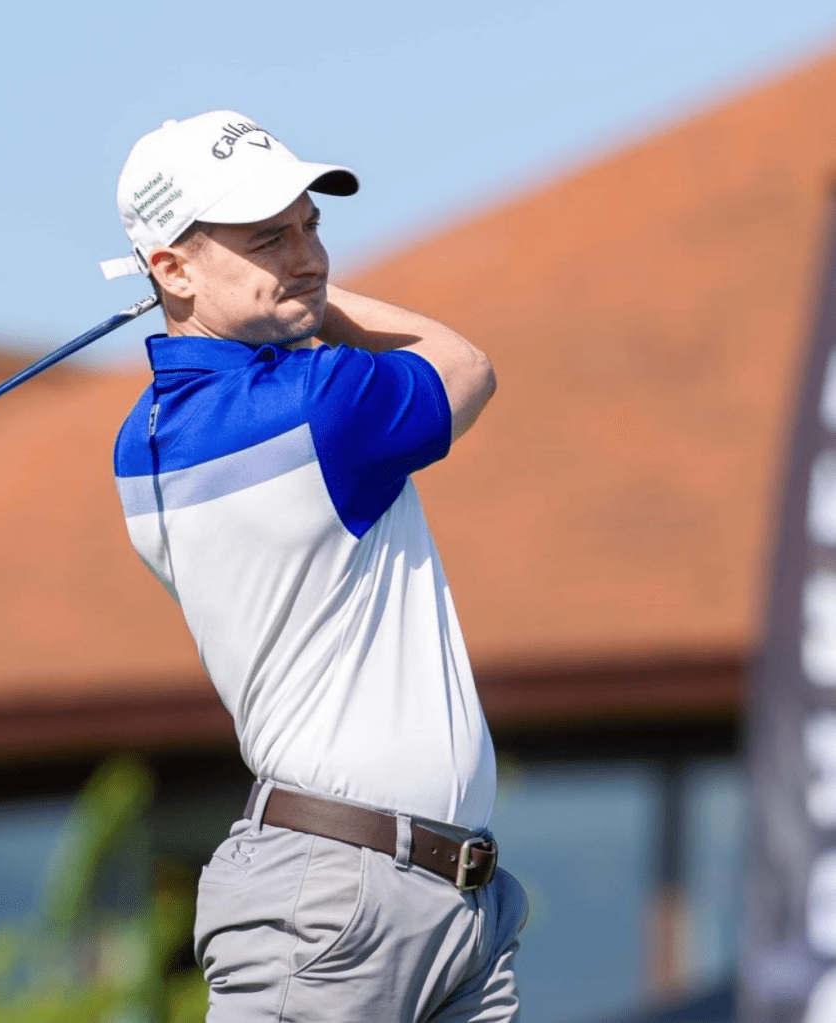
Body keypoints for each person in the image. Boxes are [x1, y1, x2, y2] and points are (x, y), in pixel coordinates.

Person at [106, 110, 527, 1022]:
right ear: (170, 268)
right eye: (268, 238)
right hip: (338, 901)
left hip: (433, 898)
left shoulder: (144, 441)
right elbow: (464, 365)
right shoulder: (318, 404)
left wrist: (270, 295)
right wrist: (318, 306)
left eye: (310, 225)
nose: (308, 256)